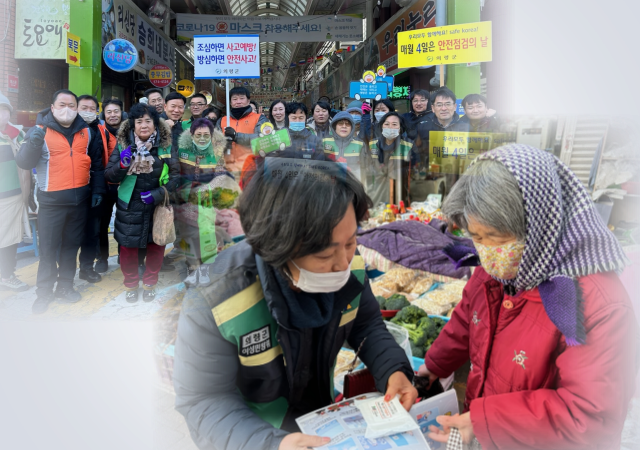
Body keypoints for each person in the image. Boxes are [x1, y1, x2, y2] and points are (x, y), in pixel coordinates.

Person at [173, 159, 417, 450]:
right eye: (325, 255)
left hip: (322, 420)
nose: (342, 264)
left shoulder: (352, 268)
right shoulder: (214, 296)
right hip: (252, 435)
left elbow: (366, 325)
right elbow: (203, 399)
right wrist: (272, 444)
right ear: (279, 246)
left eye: (351, 243)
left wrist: (393, 369)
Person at [419, 144, 637, 450]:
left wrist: (486, 422)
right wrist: (433, 367)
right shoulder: (496, 269)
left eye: (495, 238)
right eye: (476, 237)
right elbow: (467, 320)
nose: (485, 252)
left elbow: (589, 417)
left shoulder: (598, 304)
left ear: (538, 225)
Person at [17, 90, 105, 313]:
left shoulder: (87, 131)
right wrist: (33, 144)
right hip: (51, 202)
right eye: (62, 104)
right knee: (48, 250)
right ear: (53, 106)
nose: (67, 109)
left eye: (72, 105)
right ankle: (44, 293)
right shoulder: (39, 131)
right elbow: (25, 162)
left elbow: (95, 165)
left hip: (80, 201)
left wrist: (96, 191)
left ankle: (65, 286)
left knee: (70, 248)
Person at [104, 104, 179, 302]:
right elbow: (109, 175)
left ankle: (150, 283)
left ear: (155, 124)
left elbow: (177, 177)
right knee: (128, 249)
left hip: (157, 205)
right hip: (129, 205)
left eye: (148, 121)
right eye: (139, 122)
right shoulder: (123, 145)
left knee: (156, 246)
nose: (144, 125)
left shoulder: (166, 146)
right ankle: (130, 284)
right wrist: (122, 164)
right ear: (132, 125)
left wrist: (158, 193)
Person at [175, 118, 225, 288]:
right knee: (188, 235)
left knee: (207, 233)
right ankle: (192, 267)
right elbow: (176, 174)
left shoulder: (217, 153)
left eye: (206, 135)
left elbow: (221, 176)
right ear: (192, 135)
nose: (202, 138)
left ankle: (205, 269)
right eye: (198, 135)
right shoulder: (182, 151)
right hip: (185, 199)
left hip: (206, 200)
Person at [0, 91, 30, 292]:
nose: (2, 115)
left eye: (4, 110)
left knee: (9, 238)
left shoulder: (17, 133)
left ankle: (7, 274)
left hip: (14, 195)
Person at [77, 95, 107, 283]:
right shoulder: (68, 129)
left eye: (92, 108)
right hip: (70, 190)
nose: (88, 111)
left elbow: (98, 163)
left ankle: (86, 268)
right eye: (83, 107)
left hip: (93, 188)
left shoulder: (98, 130)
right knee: (69, 234)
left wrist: (98, 190)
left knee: (92, 232)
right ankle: (61, 272)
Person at [96, 98, 124, 273]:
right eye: (109, 112)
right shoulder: (98, 131)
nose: (113, 115)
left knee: (124, 223)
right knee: (101, 224)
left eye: (116, 111)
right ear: (104, 114)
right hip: (104, 185)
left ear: (122, 112)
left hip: (125, 185)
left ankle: (124, 254)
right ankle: (102, 258)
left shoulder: (130, 130)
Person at [366, 112, 416, 205]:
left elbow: (413, 172)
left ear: (400, 128)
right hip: (375, 193)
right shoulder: (372, 144)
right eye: (387, 124)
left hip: (399, 193)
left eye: (394, 124)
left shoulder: (408, 145)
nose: (390, 127)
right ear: (382, 126)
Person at [217, 87, 267, 175]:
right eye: (235, 99)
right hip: (228, 169)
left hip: (252, 169)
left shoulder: (259, 118)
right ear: (230, 102)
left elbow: (262, 140)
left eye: (242, 98)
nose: (238, 101)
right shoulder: (222, 120)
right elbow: (215, 143)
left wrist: (236, 136)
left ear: (248, 100)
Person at [322, 111, 365, 181]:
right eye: (340, 123)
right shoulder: (324, 142)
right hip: (329, 184)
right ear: (334, 126)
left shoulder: (360, 145)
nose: (344, 126)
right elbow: (318, 166)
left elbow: (365, 169)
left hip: (353, 185)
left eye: (347, 124)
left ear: (352, 127)